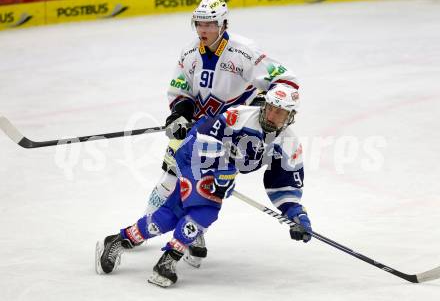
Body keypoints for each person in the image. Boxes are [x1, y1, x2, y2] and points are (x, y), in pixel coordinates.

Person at [96, 0, 301, 270]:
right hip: (197, 130)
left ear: (223, 24)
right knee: (171, 180)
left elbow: (286, 82)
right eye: (199, 23)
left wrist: (258, 110)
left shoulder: (246, 52)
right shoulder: (189, 52)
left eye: (209, 24)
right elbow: (180, 89)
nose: (203, 29)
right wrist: (180, 114)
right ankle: (141, 230)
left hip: (230, 133)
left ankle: (192, 231)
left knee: (213, 189)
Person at [95, 85, 312, 288]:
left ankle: (121, 240)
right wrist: (221, 171)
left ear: (290, 117)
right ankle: (168, 260)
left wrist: (296, 215)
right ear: (265, 105)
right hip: (195, 155)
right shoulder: (239, 116)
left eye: (280, 113)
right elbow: (204, 135)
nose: (273, 116)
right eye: (271, 109)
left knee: (172, 213)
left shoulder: (288, 144)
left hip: (220, 169)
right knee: (205, 210)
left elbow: (284, 184)